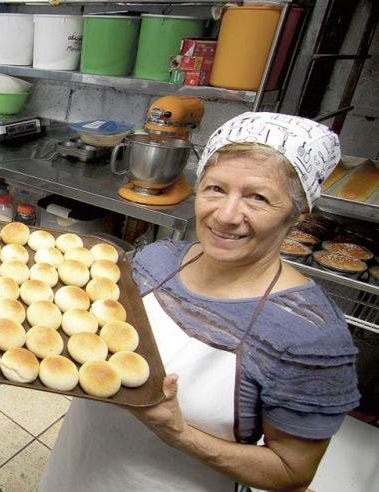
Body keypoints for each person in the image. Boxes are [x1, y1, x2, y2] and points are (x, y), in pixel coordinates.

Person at [40, 112, 360, 491]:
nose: (225, 216)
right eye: (215, 189)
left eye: (257, 198)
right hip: (79, 463)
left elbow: (292, 473)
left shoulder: (309, 336)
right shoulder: (156, 261)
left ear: (297, 215)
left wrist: (179, 433)